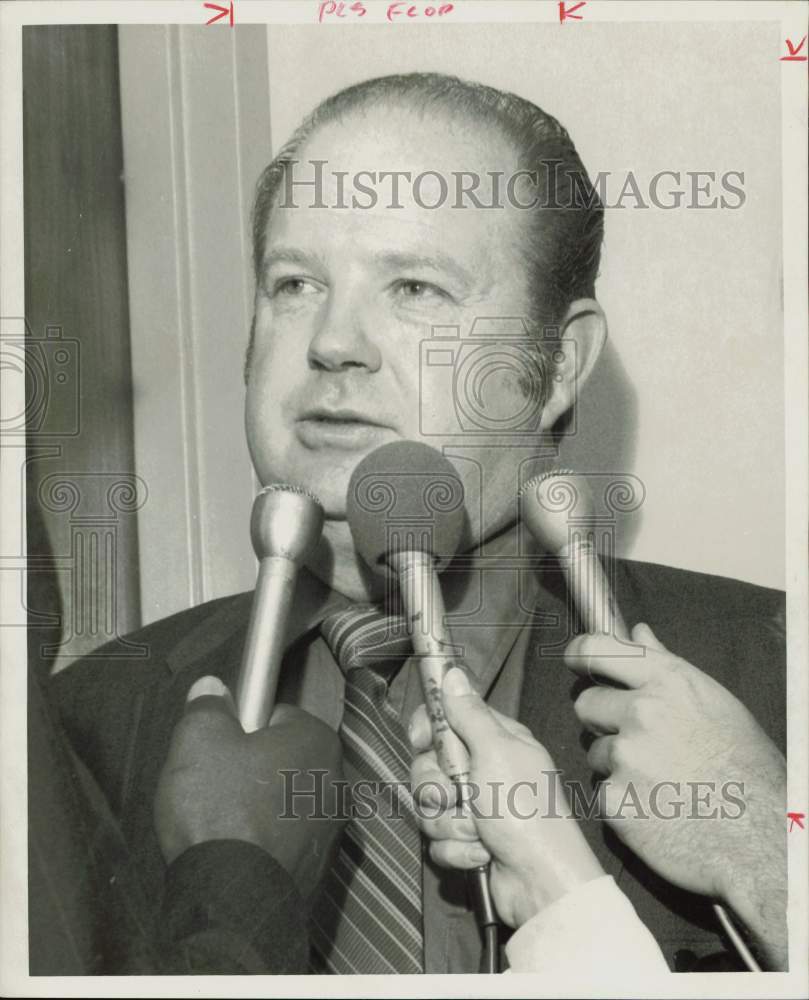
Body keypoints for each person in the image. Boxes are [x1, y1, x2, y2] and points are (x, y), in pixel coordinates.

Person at [49, 71, 787, 974]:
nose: (332, 342)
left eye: (416, 289)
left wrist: (769, 862)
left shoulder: (771, 671)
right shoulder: (81, 725)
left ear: (555, 366)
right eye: (293, 283)